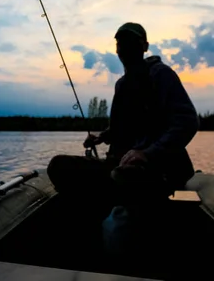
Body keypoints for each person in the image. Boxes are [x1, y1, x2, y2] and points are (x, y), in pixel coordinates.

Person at [47, 22, 199, 206]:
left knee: (123, 176)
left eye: (131, 42)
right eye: (120, 43)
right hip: (120, 163)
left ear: (144, 46)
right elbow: (121, 127)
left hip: (156, 167)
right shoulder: (121, 85)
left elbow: (187, 122)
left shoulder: (161, 74)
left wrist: (148, 154)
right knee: (58, 166)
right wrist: (102, 137)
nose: (125, 48)